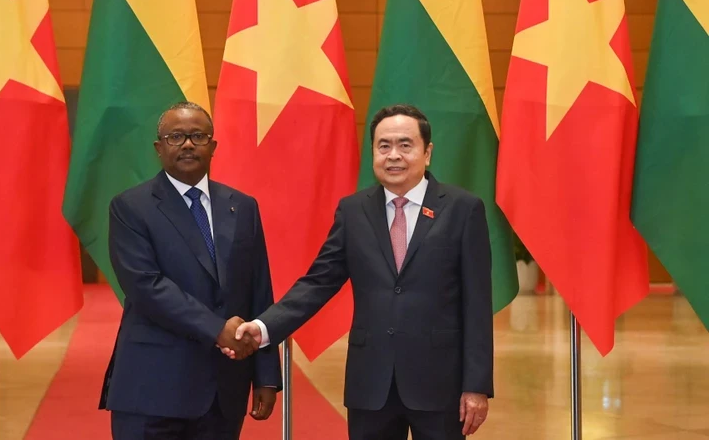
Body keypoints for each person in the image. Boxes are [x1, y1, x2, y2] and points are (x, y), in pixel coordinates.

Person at [230, 104, 493, 439]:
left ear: (427, 153)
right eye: (384, 146)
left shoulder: (462, 209)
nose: (393, 155)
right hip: (370, 384)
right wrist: (264, 328)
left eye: (405, 145)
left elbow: (477, 304)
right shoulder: (354, 211)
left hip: (440, 384)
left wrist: (476, 386)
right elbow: (318, 282)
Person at [99, 102, 282, 440]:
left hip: (223, 390)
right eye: (175, 136)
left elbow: (259, 291)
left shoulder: (242, 207)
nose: (186, 144)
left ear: (212, 146)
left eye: (197, 136)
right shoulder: (130, 207)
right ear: (159, 148)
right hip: (151, 387)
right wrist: (217, 329)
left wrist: (266, 375)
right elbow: (146, 286)